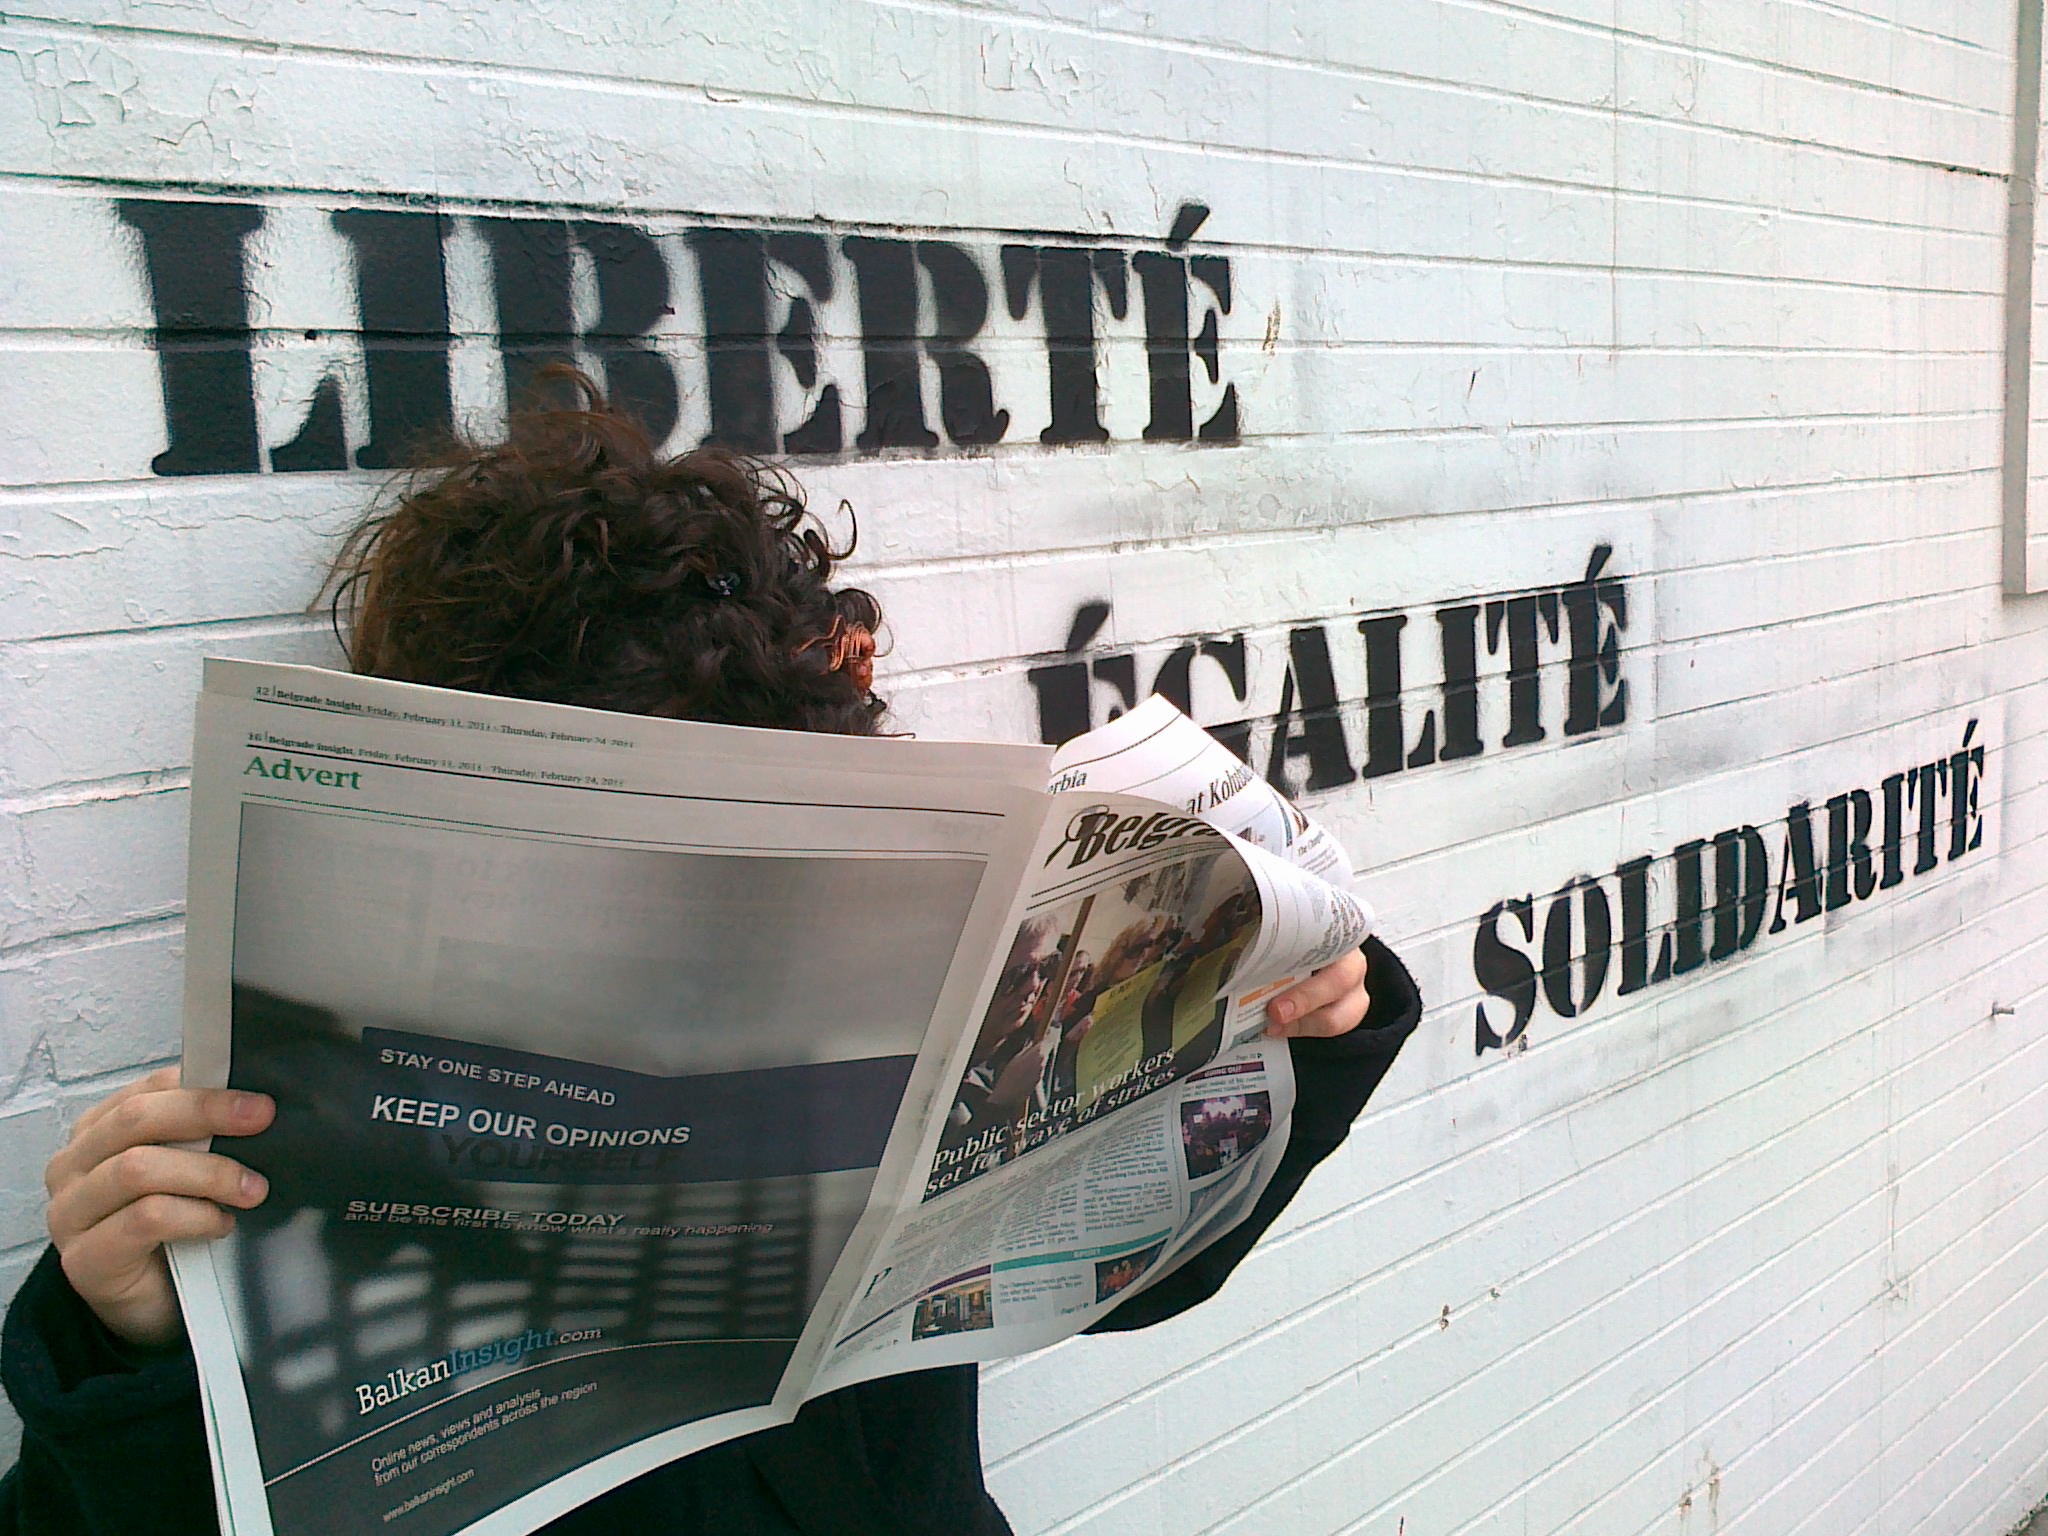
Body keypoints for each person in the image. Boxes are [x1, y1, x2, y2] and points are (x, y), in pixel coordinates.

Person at [0, 373, 1421, 1535]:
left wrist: (1297, 1036)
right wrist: (126, 1351)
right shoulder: (315, 1123)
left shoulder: (894, 994)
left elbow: (1110, 1273)